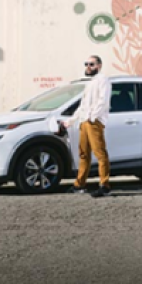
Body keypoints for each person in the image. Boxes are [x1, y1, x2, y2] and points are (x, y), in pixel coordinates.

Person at [62, 55, 113, 198]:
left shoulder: (103, 80)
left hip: (93, 121)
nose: (88, 67)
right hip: (84, 121)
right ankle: (80, 184)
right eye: (86, 64)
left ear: (99, 66)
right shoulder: (90, 82)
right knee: (83, 153)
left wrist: (93, 117)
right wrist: (71, 121)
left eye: (91, 64)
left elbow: (103, 100)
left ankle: (105, 185)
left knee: (100, 153)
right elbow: (83, 106)